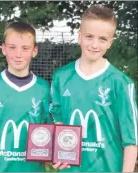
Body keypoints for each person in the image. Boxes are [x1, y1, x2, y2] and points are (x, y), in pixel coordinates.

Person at [50, 4, 138, 172]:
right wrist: (57, 152)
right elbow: (57, 119)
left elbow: (131, 140)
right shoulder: (61, 77)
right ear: (79, 36)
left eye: (102, 39)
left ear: (110, 43)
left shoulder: (121, 83)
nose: (95, 44)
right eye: (89, 36)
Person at [0, 21, 51, 172]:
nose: (18, 55)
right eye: (12, 47)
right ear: (3, 49)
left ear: (34, 51)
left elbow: (49, 130)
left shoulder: (44, 89)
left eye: (25, 49)